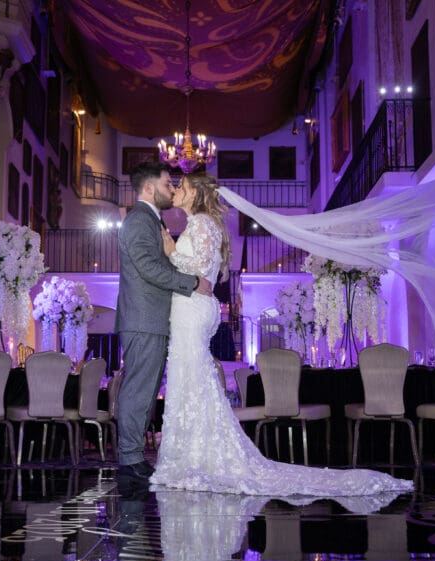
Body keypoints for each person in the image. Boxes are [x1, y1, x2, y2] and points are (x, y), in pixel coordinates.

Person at [151, 173, 413, 498]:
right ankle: (193, 455)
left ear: (196, 194)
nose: (176, 189)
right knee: (191, 378)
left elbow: (199, 266)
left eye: (182, 186)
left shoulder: (202, 223)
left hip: (193, 309)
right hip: (192, 308)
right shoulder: (200, 224)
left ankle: (194, 459)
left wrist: (170, 251)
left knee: (191, 377)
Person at [115, 162, 213, 483]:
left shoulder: (151, 219)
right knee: (138, 390)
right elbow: (147, 266)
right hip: (143, 319)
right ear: (148, 188)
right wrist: (191, 282)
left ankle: (133, 455)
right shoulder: (139, 220)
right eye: (167, 183)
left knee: (146, 392)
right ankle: (129, 458)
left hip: (152, 319)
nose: (171, 189)